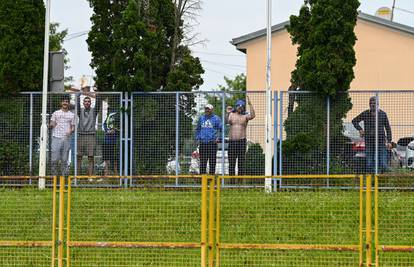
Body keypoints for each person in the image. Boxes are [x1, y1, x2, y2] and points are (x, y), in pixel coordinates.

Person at [352, 96, 392, 173]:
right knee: (369, 163)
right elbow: (354, 121)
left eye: (374, 103)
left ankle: (382, 179)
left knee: (383, 163)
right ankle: (371, 182)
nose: (373, 104)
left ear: (378, 104)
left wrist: (389, 141)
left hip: (380, 142)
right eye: (371, 103)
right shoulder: (365, 113)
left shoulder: (383, 114)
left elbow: (388, 128)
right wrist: (360, 129)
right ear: (369, 104)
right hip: (369, 142)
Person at [225, 96, 255, 176]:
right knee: (231, 163)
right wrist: (227, 112)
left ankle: (240, 182)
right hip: (232, 142)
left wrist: (250, 104)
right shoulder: (231, 114)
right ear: (236, 106)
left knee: (241, 163)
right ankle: (231, 182)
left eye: (241, 106)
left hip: (241, 141)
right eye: (238, 106)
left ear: (243, 108)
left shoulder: (245, 116)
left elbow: (253, 115)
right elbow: (226, 121)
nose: (240, 108)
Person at [76, 88, 101, 176]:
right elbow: (77, 106)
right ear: (83, 103)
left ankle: (90, 177)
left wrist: (97, 95)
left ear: (90, 103)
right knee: (79, 157)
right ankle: (77, 177)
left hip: (91, 135)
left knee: (91, 157)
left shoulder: (94, 111)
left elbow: (98, 104)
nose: (87, 103)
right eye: (85, 101)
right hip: (81, 135)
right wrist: (78, 96)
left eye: (88, 101)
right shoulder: (80, 111)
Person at [49, 96, 76, 176]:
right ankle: (54, 177)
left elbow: (73, 127)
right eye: (63, 101)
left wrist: (70, 131)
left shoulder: (72, 115)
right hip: (56, 137)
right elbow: (52, 124)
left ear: (68, 103)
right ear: (61, 103)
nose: (65, 103)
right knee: (54, 159)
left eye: (66, 101)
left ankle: (63, 178)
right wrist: (50, 125)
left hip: (66, 138)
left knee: (64, 159)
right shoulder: (56, 113)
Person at [196, 104, 222, 175]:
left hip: (212, 143)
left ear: (212, 110)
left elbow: (222, 129)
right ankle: (202, 181)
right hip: (203, 143)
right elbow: (198, 129)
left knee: (212, 162)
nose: (207, 110)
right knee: (203, 162)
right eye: (206, 109)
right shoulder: (201, 118)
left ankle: (211, 181)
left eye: (208, 109)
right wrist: (198, 138)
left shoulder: (216, 118)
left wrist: (219, 138)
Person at [102, 111, 119, 176]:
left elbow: (121, 127)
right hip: (106, 141)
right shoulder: (110, 115)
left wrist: (115, 130)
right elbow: (104, 124)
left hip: (115, 142)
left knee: (115, 160)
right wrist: (108, 131)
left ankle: (117, 176)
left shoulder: (119, 115)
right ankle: (106, 175)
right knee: (106, 160)